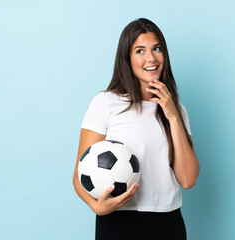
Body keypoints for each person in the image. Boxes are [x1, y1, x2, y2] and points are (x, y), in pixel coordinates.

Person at [73, 18, 200, 240]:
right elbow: (79, 175)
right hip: (120, 221)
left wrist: (172, 116)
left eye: (156, 49)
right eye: (140, 51)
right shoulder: (106, 103)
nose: (151, 58)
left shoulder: (177, 110)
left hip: (169, 221)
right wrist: (96, 207)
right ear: (127, 59)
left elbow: (188, 179)